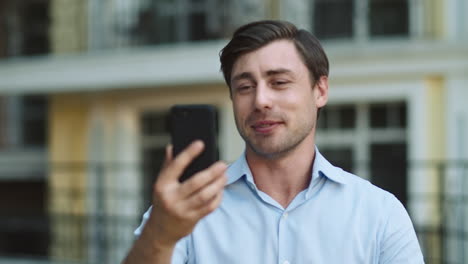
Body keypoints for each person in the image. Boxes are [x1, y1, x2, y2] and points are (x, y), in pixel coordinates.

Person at [122, 20, 424, 264]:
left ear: (320, 90)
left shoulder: (378, 213)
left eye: (279, 82)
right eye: (244, 86)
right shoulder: (184, 209)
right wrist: (160, 235)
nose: (260, 100)